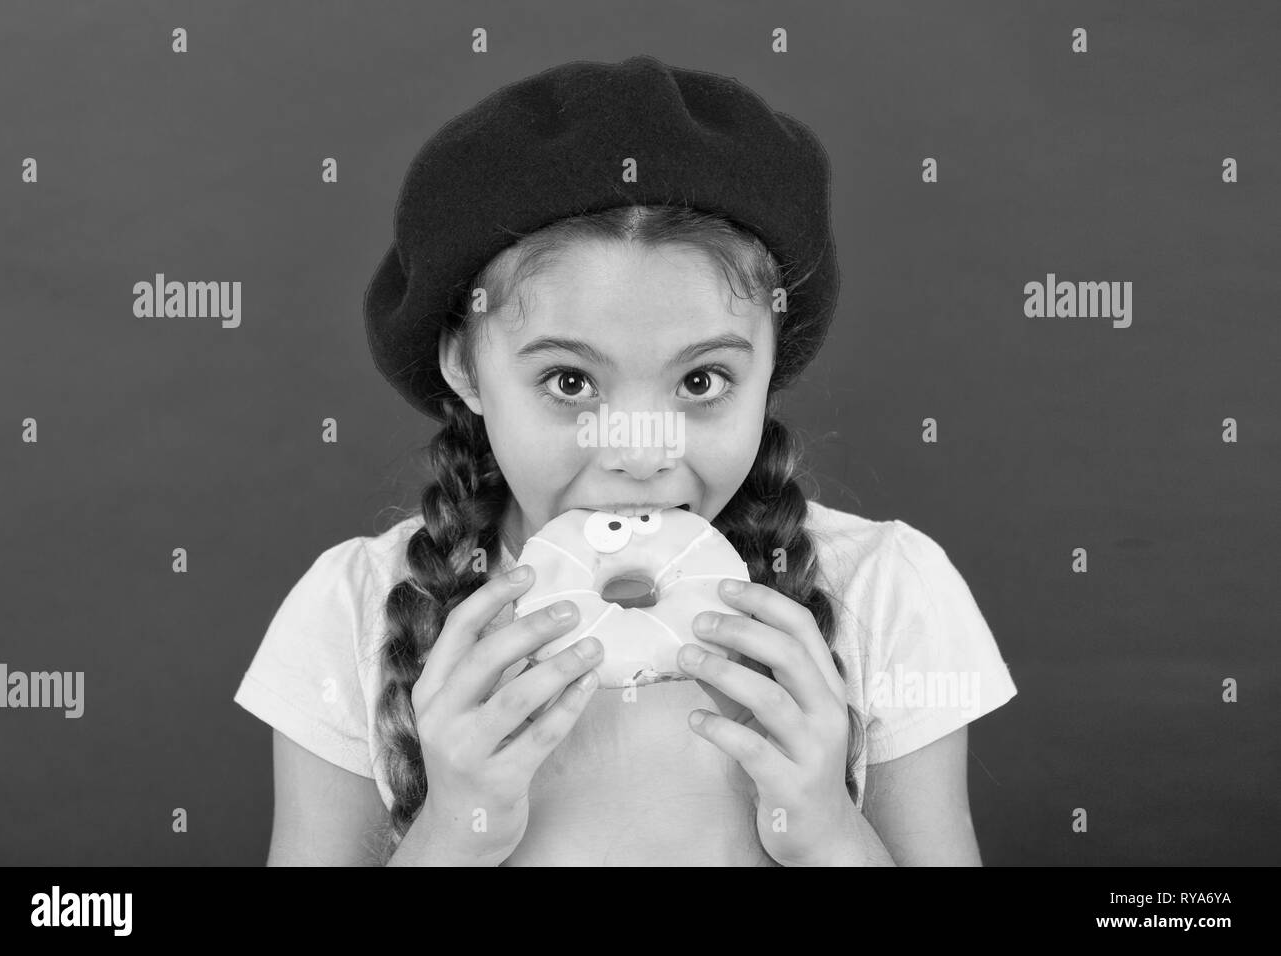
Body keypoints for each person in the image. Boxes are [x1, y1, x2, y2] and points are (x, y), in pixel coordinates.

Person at [233, 54, 1017, 866]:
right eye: (570, 381)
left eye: (702, 380)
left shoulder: (887, 594)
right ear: (465, 367)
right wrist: (455, 827)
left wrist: (826, 829)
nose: (641, 455)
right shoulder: (351, 614)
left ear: (770, 366)